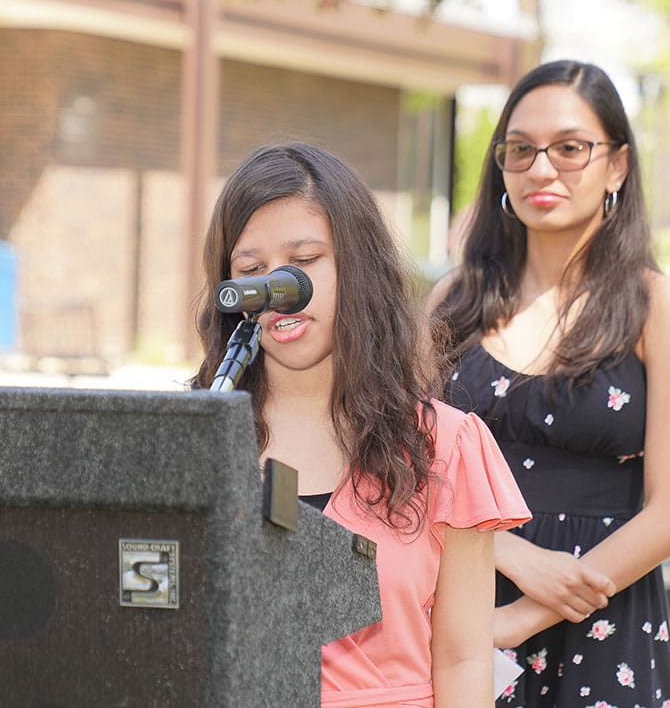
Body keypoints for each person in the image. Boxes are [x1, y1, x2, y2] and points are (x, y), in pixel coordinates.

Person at [193, 142, 532, 708]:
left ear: (358, 265)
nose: (279, 288)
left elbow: (464, 657)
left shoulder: (444, 445)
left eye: (303, 262)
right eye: (251, 271)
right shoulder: (190, 435)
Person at [428, 60, 670, 708]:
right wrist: (510, 555)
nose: (541, 168)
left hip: (601, 619)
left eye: (570, 148)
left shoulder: (661, 308)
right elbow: (404, 466)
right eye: (520, 150)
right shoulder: (453, 303)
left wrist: (526, 615)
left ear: (617, 166)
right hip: (464, 608)